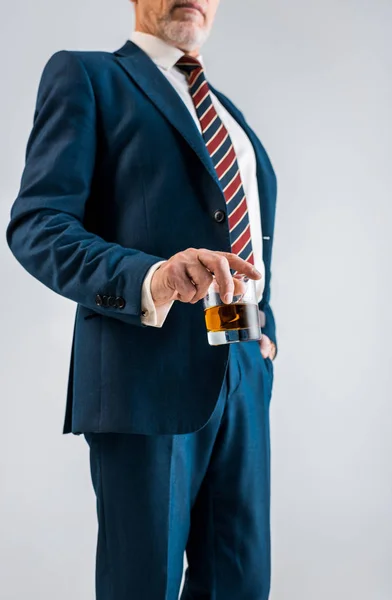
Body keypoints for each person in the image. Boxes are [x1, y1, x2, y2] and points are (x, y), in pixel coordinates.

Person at [6, 0, 278, 598]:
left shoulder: (227, 115)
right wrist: (152, 278)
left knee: (242, 583)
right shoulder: (88, 76)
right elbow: (37, 225)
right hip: (144, 379)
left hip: (243, 369)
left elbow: (244, 230)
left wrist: (264, 335)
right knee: (143, 586)